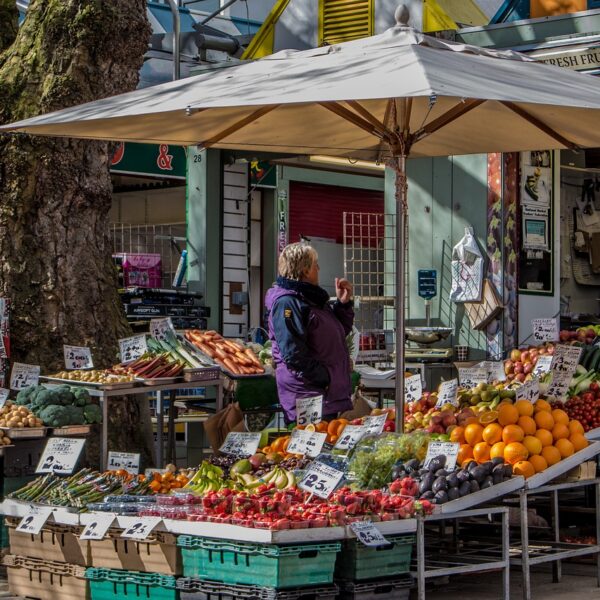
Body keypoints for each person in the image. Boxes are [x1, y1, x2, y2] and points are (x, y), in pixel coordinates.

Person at [265, 242, 354, 423]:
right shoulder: (287, 303)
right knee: (312, 447)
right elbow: (293, 353)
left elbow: (335, 335)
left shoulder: (312, 299)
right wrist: (325, 377)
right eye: (315, 264)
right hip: (309, 394)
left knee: (328, 445)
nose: (319, 268)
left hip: (326, 393)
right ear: (305, 270)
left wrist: (342, 305)